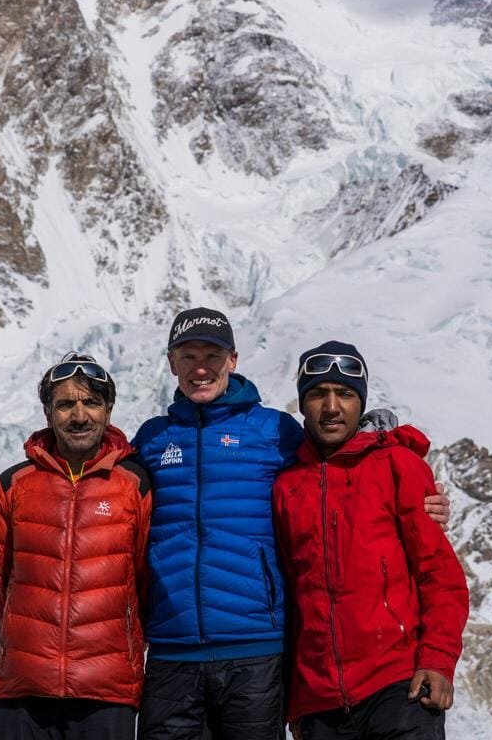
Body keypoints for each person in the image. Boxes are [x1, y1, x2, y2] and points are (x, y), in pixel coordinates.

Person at [131, 312, 450, 740]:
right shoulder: (152, 439)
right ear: (171, 363)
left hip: (256, 650)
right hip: (173, 648)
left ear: (233, 360)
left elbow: (338, 449)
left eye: (213, 354)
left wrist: (395, 450)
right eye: (188, 355)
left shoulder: (275, 432)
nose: (200, 367)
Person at [272, 341, 469, 739]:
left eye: (344, 393)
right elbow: (292, 596)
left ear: (361, 401)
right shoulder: (287, 486)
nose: (331, 407)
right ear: (302, 403)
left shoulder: (398, 466)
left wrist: (439, 658)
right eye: (317, 394)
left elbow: (439, 574)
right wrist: (297, 701)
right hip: (319, 701)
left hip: (399, 687)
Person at [0, 352, 152, 740]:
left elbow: (144, 579)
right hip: (24, 686)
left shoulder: (134, 486)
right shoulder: (13, 485)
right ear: (47, 412)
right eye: (65, 404)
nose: (79, 416)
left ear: (108, 410)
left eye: (91, 402)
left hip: (106, 689)